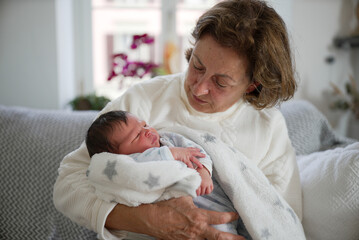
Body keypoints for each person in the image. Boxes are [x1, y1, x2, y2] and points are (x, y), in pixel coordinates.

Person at [53, 0, 303, 239]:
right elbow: (67, 185)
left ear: (252, 85)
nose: (199, 88)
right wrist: (150, 220)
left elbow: (283, 219)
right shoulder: (143, 102)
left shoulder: (268, 128)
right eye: (197, 65)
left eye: (220, 82)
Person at [85, 110, 248, 238]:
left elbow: (199, 153)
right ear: (116, 156)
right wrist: (171, 154)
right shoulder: (129, 164)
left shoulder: (170, 139)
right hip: (175, 221)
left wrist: (203, 172)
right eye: (136, 136)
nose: (147, 131)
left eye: (144, 125)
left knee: (226, 229)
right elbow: (133, 172)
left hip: (211, 201)